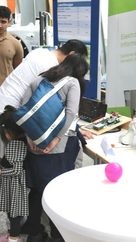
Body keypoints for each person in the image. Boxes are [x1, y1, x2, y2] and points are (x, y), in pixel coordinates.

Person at [0, 39, 88, 235]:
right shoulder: (55, 70)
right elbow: (48, 110)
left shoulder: (40, 53)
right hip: (12, 120)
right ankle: (16, 228)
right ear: (72, 54)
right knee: (14, 174)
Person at [23, 54, 88, 242]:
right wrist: (55, 140)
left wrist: (31, 137)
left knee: (37, 188)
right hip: (58, 149)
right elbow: (70, 115)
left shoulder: (38, 79)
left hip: (34, 144)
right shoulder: (72, 83)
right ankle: (58, 236)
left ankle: (34, 230)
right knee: (57, 193)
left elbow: (24, 110)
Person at [0, 106, 29, 242]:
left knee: (14, 214)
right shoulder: (24, 141)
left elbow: (16, 170)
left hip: (13, 186)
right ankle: (14, 234)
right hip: (17, 185)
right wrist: (3, 160)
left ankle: (13, 238)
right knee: (15, 213)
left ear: (8, 131)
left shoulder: (14, 145)